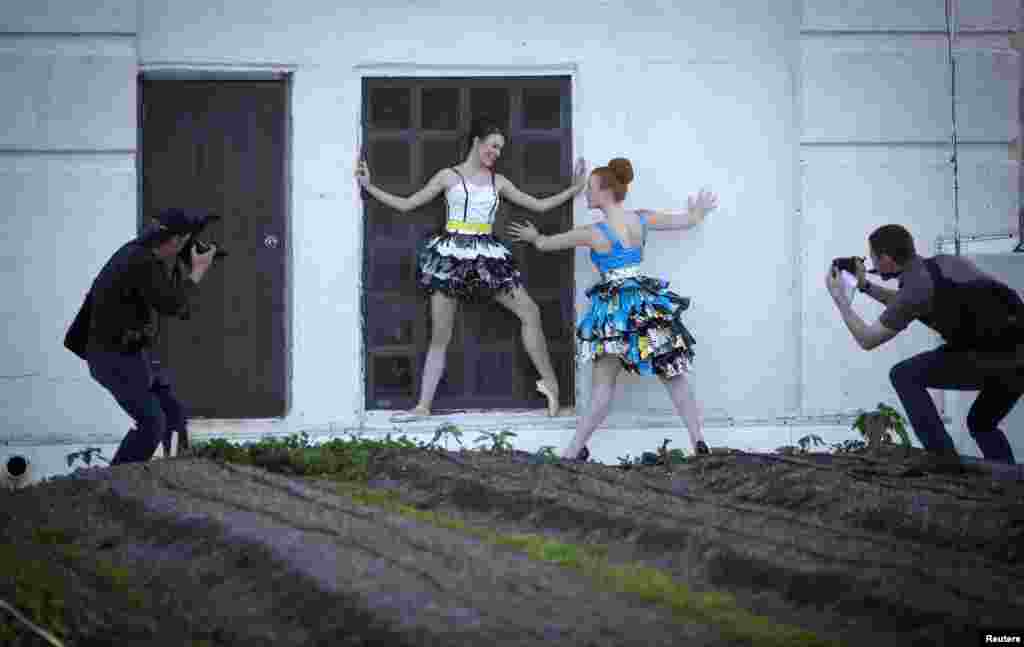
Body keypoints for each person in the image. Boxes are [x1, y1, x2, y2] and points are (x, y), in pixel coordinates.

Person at [355, 116, 588, 418]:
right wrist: (369, 187)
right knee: (441, 333)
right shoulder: (448, 176)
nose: (496, 153)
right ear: (477, 142)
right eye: (493, 146)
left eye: (500, 149)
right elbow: (407, 204)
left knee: (530, 311)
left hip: (487, 255)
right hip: (451, 256)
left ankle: (552, 389)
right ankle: (423, 406)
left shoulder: (498, 181)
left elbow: (538, 205)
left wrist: (574, 189)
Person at [507, 157, 718, 459]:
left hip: (614, 312)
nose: (587, 195)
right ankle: (698, 439)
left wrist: (533, 237)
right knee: (673, 374)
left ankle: (572, 451)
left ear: (605, 191)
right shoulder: (642, 219)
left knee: (603, 385)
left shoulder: (593, 233)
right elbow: (685, 220)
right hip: (646, 305)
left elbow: (545, 244)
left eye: (590, 188)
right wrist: (697, 212)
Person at [825, 224, 1021, 467]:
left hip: (992, 356)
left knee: (903, 374)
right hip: (1016, 359)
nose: (871, 262)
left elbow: (868, 339)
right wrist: (865, 286)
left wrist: (841, 300)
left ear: (885, 259)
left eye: (873, 256)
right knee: (981, 422)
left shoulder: (917, 289)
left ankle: (942, 457)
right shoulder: (943, 264)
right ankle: (1008, 476)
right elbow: (907, 303)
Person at [81, 208, 217, 464]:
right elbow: (171, 305)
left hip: (130, 354)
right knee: (152, 422)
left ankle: (172, 473)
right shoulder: (141, 262)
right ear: (176, 241)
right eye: (186, 241)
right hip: (113, 359)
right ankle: (116, 481)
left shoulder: (136, 253)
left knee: (173, 414)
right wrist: (198, 270)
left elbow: (167, 297)